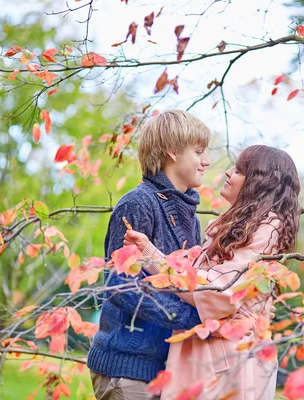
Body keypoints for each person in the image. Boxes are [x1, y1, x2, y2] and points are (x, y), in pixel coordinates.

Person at [125, 145, 301, 399]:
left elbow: (216, 292)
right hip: (211, 353)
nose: (229, 172)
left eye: (240, 170)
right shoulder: (234, 228)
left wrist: (151, 255)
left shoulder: (267, 229)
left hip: (225, 361)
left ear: (259, 184)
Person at [87, 110, 211, 399]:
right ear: (173, 152)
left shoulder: (190, 218)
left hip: (167, 371)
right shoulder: (137, 204)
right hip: (128, 371)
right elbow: (121, 287)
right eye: (199, 151)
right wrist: (194, 318)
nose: (206, 161)